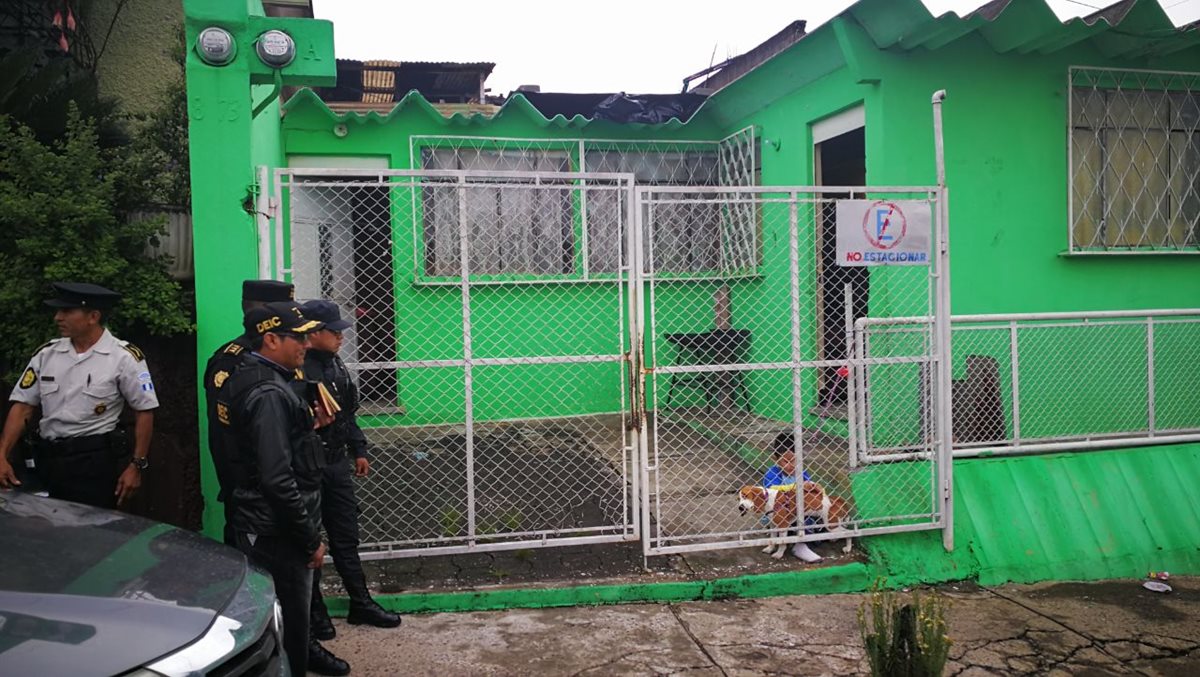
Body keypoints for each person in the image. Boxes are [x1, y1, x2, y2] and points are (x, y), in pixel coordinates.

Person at [215, 302, 328, 677]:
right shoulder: (268, 392)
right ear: (270, 338)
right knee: (288, 628)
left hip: (266, 523)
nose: (307, 344)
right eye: (298, 337)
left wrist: (308, 427)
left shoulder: (262, 378)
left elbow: (274, 449)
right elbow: (277, 479)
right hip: (276, 530)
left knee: (272, 622)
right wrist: (309, 539)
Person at [0, 282, 157, 508]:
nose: (57, 317)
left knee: (92, 535)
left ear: (93, 316)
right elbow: (23, 406)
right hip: (46, 459)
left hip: (92, 463)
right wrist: (2, 454)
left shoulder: (123, 357)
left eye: (66, 311)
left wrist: (136, 465)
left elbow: (145, 411)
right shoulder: (47, 354)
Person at [300, 299, 403, 644]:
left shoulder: (335, 363)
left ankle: (361, 603)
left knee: (345, 536)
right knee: (310, 542)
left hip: (335, 465)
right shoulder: (299, 369)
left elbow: (346, 413)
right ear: (313, 333)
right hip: (309, 469)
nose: (342, 338)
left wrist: (359, 448)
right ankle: (316, 616)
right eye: (334, 332)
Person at [203, 280, 295, 545]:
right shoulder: (232, 361)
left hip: (289, 490)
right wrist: (239, 488)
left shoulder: (288, 357)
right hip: (252, 495)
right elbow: (224, 437)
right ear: (265, 315)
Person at [762, 431, 821, 563]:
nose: (790, 465)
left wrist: (813, 486)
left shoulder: (801, 472)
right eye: (785, 461)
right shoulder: (773, 472)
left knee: (811, 515)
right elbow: (772, 490)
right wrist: (796, 487)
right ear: (776, 459)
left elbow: (810, 487)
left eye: (794, 460)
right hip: (779, 512)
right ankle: (792, 542)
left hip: (797, 511)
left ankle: (800, 544)